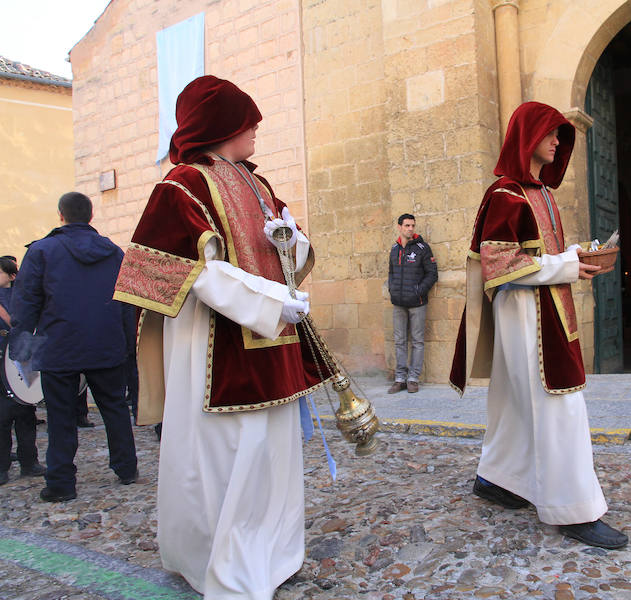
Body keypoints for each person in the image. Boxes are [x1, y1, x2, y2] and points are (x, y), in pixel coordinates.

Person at [113, 75, 336, 599]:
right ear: (219, 125)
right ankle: (224, 565)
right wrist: (269, 302)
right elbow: (196, 270)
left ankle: (275, 553)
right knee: (227, 460)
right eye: (246, 120)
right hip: (216, 348)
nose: (256, 128)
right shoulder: (181, 186)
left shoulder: (258, 186)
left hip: (273, 341)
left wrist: (294, 241)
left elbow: (284, 255)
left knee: (274, 458)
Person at [449, 101, 628, 549]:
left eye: (560, 137)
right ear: (528, 137)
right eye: (551, 134)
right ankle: (572, 510)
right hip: (526, 319)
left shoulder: (541, 193)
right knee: (559, 406)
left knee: (514, 400)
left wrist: (573, 256)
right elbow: (502, 262)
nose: (557, 142)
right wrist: (568, 264)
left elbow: (538, 254)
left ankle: (497, 479)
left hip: (547, 312)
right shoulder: (505, 195)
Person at [9, 192, 138, 502]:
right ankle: (127, 468)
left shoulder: (41, 251)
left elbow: (26, 303)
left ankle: (61, 483)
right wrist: (126, 345)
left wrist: (21, 349)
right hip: (105, 342)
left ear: (61, 215)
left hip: (59, 345)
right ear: (90, 216)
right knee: (115, 407)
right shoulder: (113, 252)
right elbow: (126, 302)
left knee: (61, 415)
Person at [0, 257, 45, 486]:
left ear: (11, 276)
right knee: (2, 418)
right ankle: (2, 467)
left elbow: (23, 322)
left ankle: (29, 462)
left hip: (21, 357)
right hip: (1, 362)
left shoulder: (21, 295)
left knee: (26, 413)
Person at [387, 213, 438, 394]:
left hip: (418, 303)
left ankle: (413, 378)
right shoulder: (394, 249)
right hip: (398, 303)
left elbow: (432, 274)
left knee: (417, 341)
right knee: (400, 341)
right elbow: (391, 274)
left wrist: (418, 291)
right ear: (399, 227)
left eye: (412, 226)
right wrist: (392, 290)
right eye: (407, 225)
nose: (410, 229)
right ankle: (400, 378)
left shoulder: (423, 248)